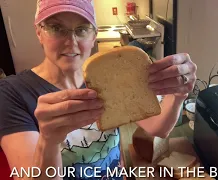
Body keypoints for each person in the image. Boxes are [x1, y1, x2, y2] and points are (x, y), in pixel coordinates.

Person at [0, 0, 197, 179]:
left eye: (82, 29)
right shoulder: (13, 93)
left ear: (94, 35)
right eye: (56, 27)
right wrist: (49, 141)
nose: (71, 41)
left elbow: (159, 128)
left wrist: (178, 95)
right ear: (39, 31)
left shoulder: (107, 78)